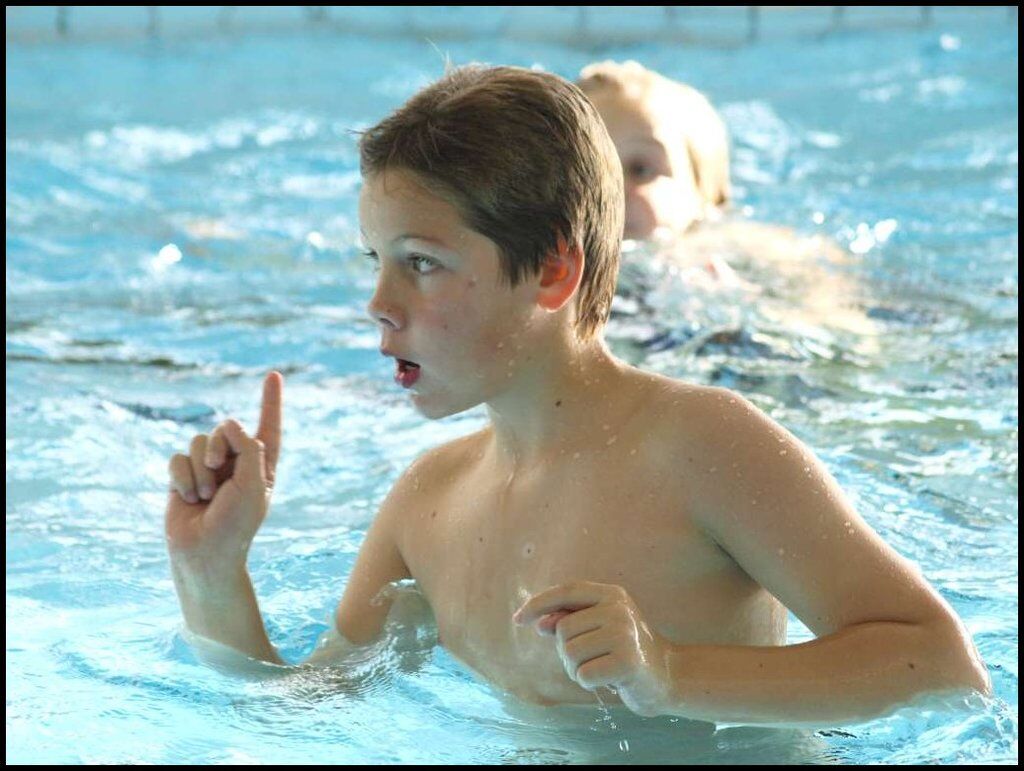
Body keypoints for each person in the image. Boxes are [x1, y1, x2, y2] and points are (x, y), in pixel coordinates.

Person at [165, 64, 989, 727]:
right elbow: (302, 709)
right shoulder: (427, 504)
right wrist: (209, 570)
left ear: (555, 272)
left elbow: (941, 665)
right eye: (375, 261)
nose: (378, 302)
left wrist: (672, 672)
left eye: (420, 262)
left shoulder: (700, 445)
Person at [578, 59, 878, 344]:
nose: (607, 191)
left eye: (640, 169)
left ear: (706, 193)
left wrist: (744, 311)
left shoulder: (763, 251)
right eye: (587, 171)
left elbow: (853, 336)